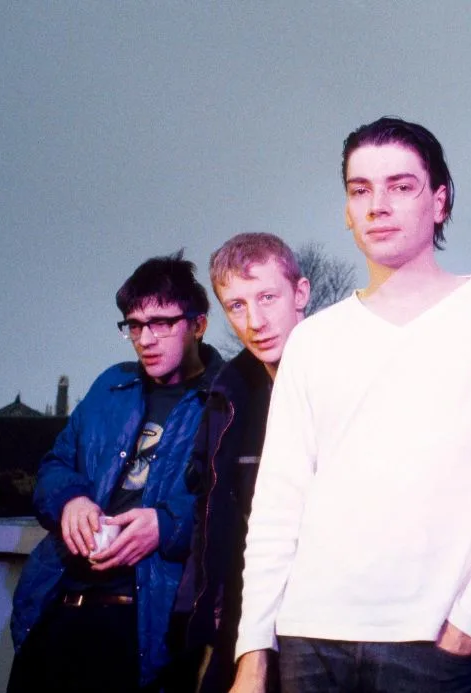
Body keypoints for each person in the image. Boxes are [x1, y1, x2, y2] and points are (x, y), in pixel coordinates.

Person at [231, 116, 471, 693]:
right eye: (361, 190)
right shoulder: (313, 339)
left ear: (440, 201)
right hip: (308, 638)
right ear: (347, 209)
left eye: (400, 186)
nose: (377, 205)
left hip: (432, 643)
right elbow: (279, 503)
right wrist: (254, 649)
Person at [9, 251, 222, 693]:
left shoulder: (226, 398)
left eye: (161, 323)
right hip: (56, 604)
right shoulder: (112, 385)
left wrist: (166, 525)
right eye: (135, 325)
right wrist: (70, 500)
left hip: (146, 622)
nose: (146, 339)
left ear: (198, 324)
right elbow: (54, 465)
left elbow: (239, 501)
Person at [178, 232, 311, 693]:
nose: (255, 321)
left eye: (267, 298)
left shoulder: (347, 378)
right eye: (236, 305)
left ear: (301, 293)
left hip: (325, 629)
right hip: (239, 627)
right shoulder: (226, 395)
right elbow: (210, 522)